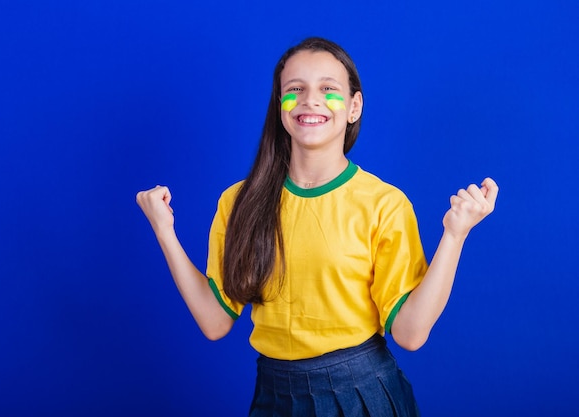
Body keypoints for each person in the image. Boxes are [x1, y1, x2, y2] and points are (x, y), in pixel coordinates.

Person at [136, 37, 498, 417]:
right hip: (273, 397)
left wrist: (455, 235)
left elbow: (409, 334)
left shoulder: (384, 204)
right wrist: (165, 232)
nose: (310, 100)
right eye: (295, 89)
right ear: (280, 106)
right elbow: (214, 321)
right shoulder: (238, 202)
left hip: (361, 397)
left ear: (354, 107)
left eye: (329, 89)